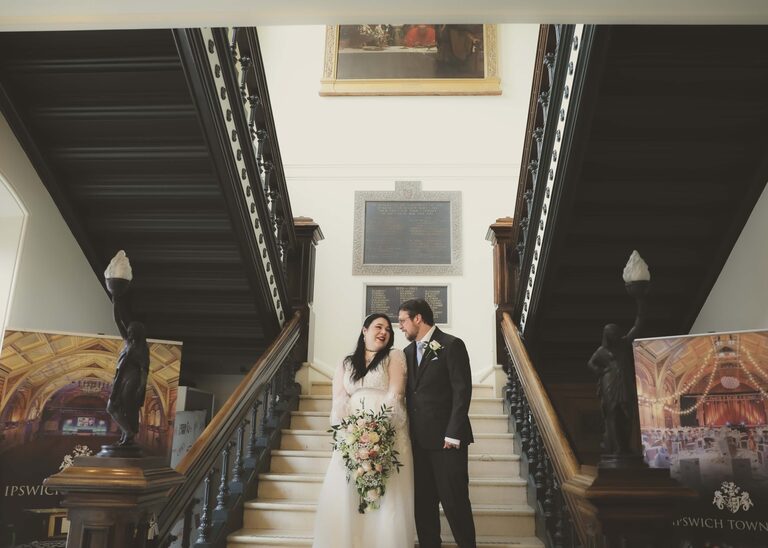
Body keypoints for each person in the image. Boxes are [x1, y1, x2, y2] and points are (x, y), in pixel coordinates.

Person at [313, 313, 415, 547]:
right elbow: (338, 399)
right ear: (364, 330)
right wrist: (351, 434)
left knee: (387, 491)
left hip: (387, 430)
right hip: (352, 434)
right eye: (378, 327)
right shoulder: (346, 362)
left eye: (388, 330)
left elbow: (396, 394)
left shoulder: (393, 356)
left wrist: (378, 432)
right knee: (349, 489)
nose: (384, 332)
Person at [398, 299, 476, 548]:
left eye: (402, 321)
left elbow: (461, 391)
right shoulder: (407, 353)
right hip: (418, 442)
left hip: (447, 442)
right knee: (423, 504)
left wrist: (453, 433)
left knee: (455, 502)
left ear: (418, 319)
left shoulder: (452, 345)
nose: (400, 327)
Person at [106, 293, 150, 446]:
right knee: (113, 407)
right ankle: (127, 433)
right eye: (128, 330)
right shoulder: (128, 342)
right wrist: (115, 302)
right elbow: (118, 321)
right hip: (121, 378)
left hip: (132, 380)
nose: (128, 332)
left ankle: (128, 433)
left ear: (137, 332)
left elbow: (144, 369)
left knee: (125, 408)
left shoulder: (141, 348)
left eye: (131, 330)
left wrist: (141, 387)